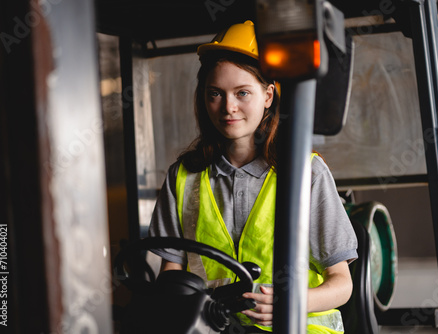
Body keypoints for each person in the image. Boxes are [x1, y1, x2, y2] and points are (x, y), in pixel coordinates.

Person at [149, 20, 358, 334]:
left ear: (268, 96)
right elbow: (172, 279)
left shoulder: (306, 173)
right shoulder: (183, 178)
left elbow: (342, 285)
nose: (228, 107)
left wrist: (291, 302)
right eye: (215, 94)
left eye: (242, 93)